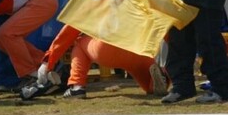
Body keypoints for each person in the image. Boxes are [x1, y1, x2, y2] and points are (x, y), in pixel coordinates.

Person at [35, 24, 168, 99]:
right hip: (134, 47)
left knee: (79, 43)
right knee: (151, 87)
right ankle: (165, 75)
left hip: (105, 46)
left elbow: (68, 32)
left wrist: (48, 61)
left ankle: (77, 86)